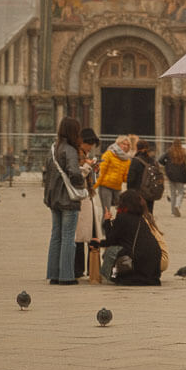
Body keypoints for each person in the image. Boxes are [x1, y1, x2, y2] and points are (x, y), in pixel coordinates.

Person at [44, 116, 85, 285]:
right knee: (68, 237)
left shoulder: (53, 148)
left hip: (53, 198)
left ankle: (54, 274)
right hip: (68, 198)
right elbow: (74, 172)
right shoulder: (70, 150)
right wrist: (81, 181)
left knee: (56, 236)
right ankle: (67, 276)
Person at [95, 190, 162, 286]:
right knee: (117, 251)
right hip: (153, 264)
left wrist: (106, 222)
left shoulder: (122, 217)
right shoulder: (140, 218)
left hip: (138, 260)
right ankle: (116, 275)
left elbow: (111, 240)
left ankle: (112, 276)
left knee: (110, 252)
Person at [74, 128, 101, 279]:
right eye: (89, 144)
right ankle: (79, 269)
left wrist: (94, 169)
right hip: (81, 197)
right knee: (81, 235)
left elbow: (91, 179)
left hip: (88, 196)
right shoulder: (77, 154)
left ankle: (91, 268)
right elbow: (77, 174)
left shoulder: (84, 154)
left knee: (90, 234)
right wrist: (88, 166)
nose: (90, 147)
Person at [94, 135, 131, 216]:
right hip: (105, 187)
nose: (125, 146)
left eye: (127, 145)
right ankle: (105, 228)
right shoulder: (109, 154)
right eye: (123, 144)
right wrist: (94, 187)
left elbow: (125, 178)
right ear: (118, 143)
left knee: (122, 210)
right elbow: (101, 171)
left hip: (117, 188)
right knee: (107, 212)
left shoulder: (127, 159)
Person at [127, 139, 159, 214]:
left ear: (137, 148)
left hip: (137, 192)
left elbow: (131, 179)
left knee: (137, 214)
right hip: (149, 192)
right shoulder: (153, 161)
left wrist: (129, 191)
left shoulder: (135, 161)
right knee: (148, 213)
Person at [159, 139, 186, 217]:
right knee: (181, 192)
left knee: (173, 193)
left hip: (171, 174)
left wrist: (167, 164)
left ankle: (173, 212)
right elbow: (184, 166)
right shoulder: (183, 152)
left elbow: (160, 160)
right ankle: (177, 205)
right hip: (181, 175)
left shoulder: (169, 152)